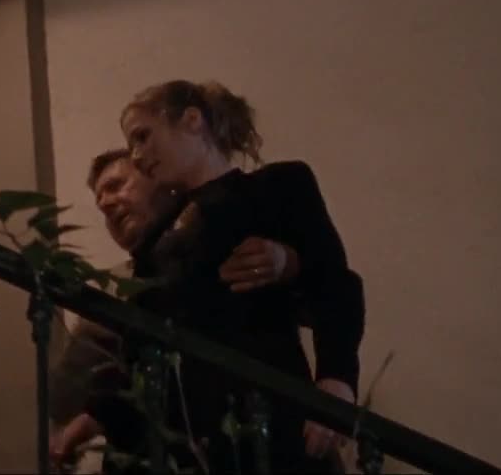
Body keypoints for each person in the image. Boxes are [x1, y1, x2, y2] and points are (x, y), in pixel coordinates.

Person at [91, 79, 366, 473]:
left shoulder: (277, 186)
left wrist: (336, 380)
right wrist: (97, 417)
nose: (136, 155)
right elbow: (140, 338)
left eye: (143, 136)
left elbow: (334, 282)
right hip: (188, 435)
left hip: (263, 414)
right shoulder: (156, 239)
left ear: (192, 120)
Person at [49, 148, 302, 471]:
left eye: (115, 186)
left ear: (158, 181)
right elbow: (67, 396)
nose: (106, 203)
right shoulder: (109, 288)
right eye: (99, 202)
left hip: (251, 441)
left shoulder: (228, 239)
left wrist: (288, 261)